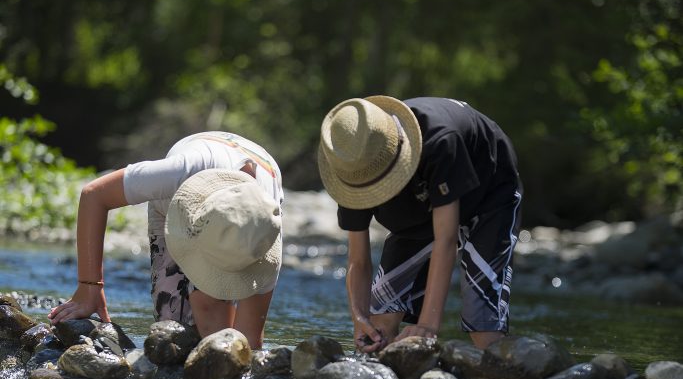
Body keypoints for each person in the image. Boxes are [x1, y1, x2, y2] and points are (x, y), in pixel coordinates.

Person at [318, 95, 522, 352]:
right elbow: (358, 260)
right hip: (421, 202)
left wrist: (427, 325)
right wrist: (359, 318)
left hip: (489, 192)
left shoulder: (440, 141)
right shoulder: (351, 167)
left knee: (484, 330)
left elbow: (446, 240)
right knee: (378, 326)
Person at [48, 131, 283, 349]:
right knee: (174, 335)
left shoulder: (261, 231)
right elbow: (94, 194)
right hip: (178, 196)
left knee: (227, 344)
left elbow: (251, 339)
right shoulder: (178, 172)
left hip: (255, 181)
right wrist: (90, 287)